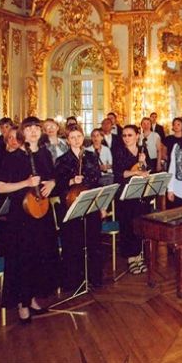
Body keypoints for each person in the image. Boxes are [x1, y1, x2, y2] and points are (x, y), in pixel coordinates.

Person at [0, 117, 59, 323]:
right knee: (23, 259)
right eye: (29, 128)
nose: (33, 131)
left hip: (41, 212)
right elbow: (0, 187)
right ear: (22, 132)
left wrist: (52, 183)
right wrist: (25, 182)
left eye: (36, 128)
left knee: (39, 257)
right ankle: (22, 305)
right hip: (21, 217)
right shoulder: (13, 156)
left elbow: (52, 176)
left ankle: (31, 298)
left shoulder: (44, 153)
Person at [55, 124, 103, 290]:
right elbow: (58, 185)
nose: (76, 140)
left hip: (90, 203)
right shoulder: (62, 160)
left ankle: (94, 278)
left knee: (93, 241)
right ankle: (74, 281)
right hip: (71, 205)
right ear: (67, 140)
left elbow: (97, 179)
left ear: (83, 137)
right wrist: (71, 181)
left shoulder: (91, 156)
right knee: (73, 243)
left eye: (78, 136)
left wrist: (100, 205)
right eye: (72, 137)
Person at [112, 125, 149, 275]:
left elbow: (146, 171)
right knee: (127, 226)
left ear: (137, 136)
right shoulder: (119, 151)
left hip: (139, 193)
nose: (127, 138)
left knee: (139, 225)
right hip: (125, 194)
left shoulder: (142, 151)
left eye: (130, 135)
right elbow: (118, 173)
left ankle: (139, 256)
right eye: (124, 135)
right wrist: (135, 173)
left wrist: (143, 162)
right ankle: (131, 258)